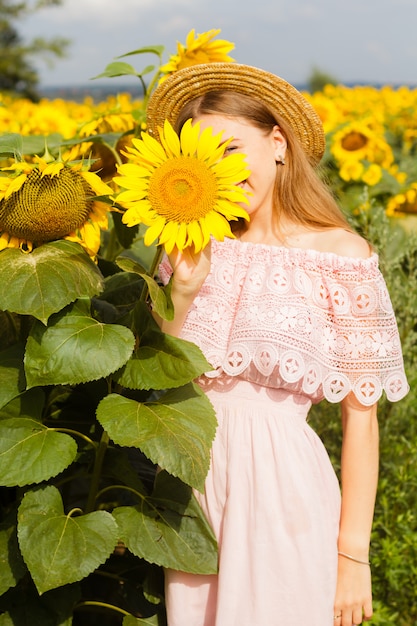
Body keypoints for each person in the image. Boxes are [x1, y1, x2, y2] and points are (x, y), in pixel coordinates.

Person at [146, 63, 409, 626]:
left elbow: (361, 421)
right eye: (205, 158)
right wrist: (184, 294)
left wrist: (353, 556)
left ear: (278, 142)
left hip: (280, 487)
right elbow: (155, 377)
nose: (222, 170)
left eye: (231, 148)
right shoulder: (189, 245)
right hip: (187, 488)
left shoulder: (341, 257)